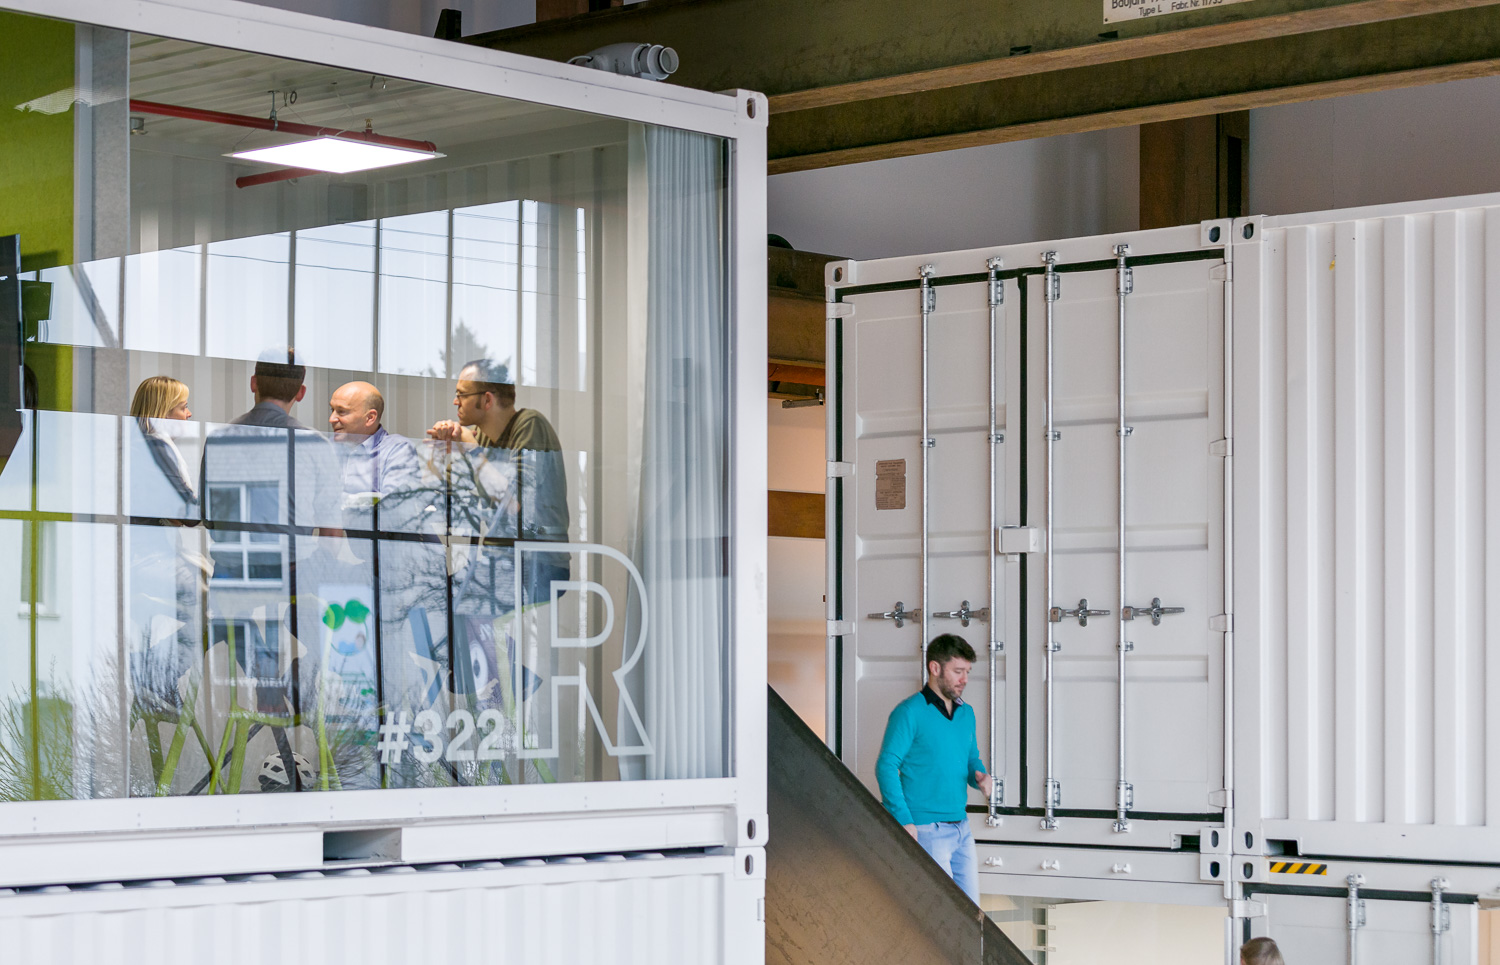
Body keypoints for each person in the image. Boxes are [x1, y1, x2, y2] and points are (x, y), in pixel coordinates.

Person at [427, 358, 569, 606]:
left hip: (537, 565)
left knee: (451, 605)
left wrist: (471, 450)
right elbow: (446, 497)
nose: (455, 402)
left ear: (487, 400)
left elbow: (514, 504)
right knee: (434, 594)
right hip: (500, 560)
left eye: (461, 394)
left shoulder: (529, 425)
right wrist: (440, 454)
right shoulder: (478, 436)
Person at [875, 633, 993, 904]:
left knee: (971, 913)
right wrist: (904, 819)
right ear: (935, 668)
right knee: (939, 913)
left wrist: (980, 776)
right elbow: (886, 766)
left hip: (962, 828)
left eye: (967, 672)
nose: (964, 679)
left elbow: (971, 758)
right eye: (958, 671)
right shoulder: (909, 712)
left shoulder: (967, 713)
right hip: (926, 830)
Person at [328, 380, 420, 518]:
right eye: (332, 410)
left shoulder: (398, 450)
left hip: (388, 538)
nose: (332, 419)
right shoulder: (327, 449)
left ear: (370, 418)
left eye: (341, 412)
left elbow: (393, 509)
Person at [129, 375, 197, 508]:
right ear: (164, 412)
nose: (189, 414)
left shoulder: (142, 446)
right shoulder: (156, 447)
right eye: (184, 407)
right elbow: (187, 506)